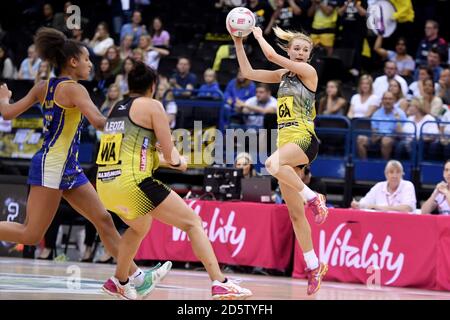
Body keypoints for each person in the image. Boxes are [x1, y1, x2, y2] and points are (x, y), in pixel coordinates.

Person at [0, 27, 169, 299]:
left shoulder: (42, 87)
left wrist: (3, 99)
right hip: (52, 167)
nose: (91, 64)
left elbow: (7, 113)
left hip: (68, 167)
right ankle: (134, 277)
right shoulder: (75, 90)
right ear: (73, 62)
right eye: (88, 59)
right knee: (31, 234)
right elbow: (101, 122)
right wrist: (139, 122)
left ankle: (135, 277)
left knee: (103, 219)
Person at [96, 61, 252, 300]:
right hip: (132, 183)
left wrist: (167, 159)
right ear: (153, 86)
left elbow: (138, 155)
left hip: (105, 184)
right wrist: (178, 161)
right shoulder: (152, 105)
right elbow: (171, 155)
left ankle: (119, 280)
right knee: (193, 223)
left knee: (139, 226)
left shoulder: (116, 108)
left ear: (129, 85)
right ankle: (220, 282)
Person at [232, 25, 328, 295]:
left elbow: (272, 56)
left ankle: (313, 197)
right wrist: (238, 42)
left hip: (304, 138)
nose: (300, 52)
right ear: (290, 50)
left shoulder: (309, 73)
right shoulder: (282, 76)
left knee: (271, 165)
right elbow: (249, 73)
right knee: (296, 215)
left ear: (308, 56)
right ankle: (313, 265)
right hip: (285, 142)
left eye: (304, 49)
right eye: (296, 48)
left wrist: (259, 36)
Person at [351, 160, 417, 213]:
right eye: (391, 172)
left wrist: (379, 208)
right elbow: (365, 203)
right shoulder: (379, 186)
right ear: (386, 174)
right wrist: (357, 205)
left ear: (402, 174)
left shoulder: (408, 185)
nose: (395, 176)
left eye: (398, 172)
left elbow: (407, 208)